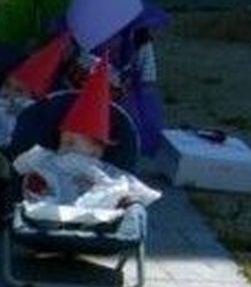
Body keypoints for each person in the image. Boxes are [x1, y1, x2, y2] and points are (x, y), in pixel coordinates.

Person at [11, 60, 160, 224]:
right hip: (49, 207)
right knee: (37, 185)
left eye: (71, 143)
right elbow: (22, 165)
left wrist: (119, 196)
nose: (64, 148)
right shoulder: (51, 158)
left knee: (116, 193)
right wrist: (35, 175)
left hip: (90, 212)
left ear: (95, 151)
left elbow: (116, 183)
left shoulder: (98, 169)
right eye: (63, 142)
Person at [0, 32, 71, 174]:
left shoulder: (28, 111)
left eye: (18, 91)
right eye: (7, 85)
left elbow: (31, 122)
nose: (9, 92)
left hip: (7, 149)